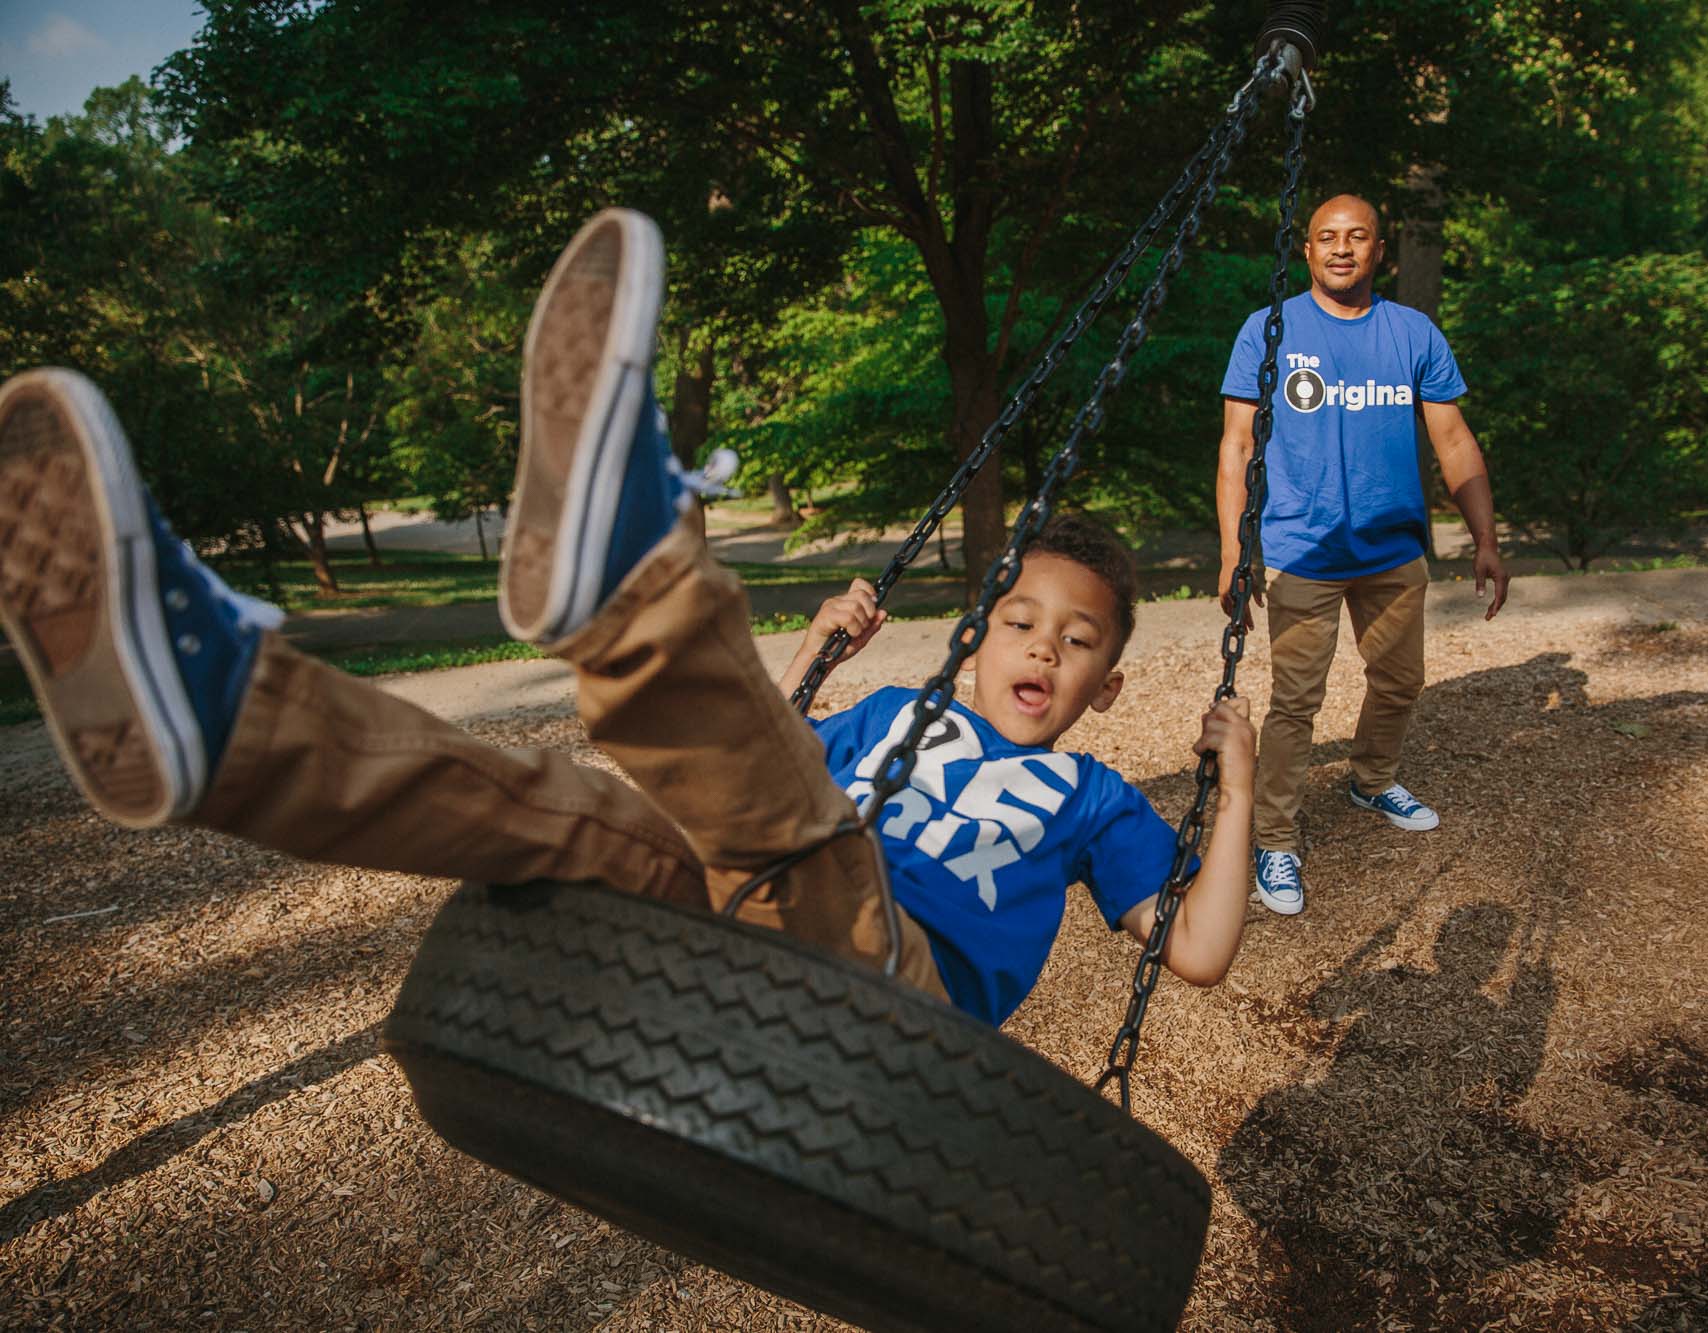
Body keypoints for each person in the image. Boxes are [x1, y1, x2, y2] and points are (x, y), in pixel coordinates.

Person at [0, 207, 1255, 1028]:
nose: (1041, 643)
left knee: (816, 852)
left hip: (895, 994)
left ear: (1104, 690)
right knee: (562, 810)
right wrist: (817, 655)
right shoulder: (887, 708)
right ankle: (228, 727)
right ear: (971, 635)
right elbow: (738, 778)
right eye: (1018, 617)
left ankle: (627, 585)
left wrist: (1235, 776)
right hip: (748, 926)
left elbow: (1191, 953)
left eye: (1077, 640)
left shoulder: (1092, 802)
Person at [1215, 193, 1508, 917]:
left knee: (1402, 681)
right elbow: (1237, 446)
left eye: (1357, 237)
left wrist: (1487, 540)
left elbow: (1454, 442)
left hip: (1391, 550)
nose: (1341, 248)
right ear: (1307, 250)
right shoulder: (1269, 330)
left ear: (1380, 249)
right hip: (1300, 548)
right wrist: (1232, 550)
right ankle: (1275, 840)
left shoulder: (1412, 333)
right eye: (1326, 237)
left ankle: (1371, 779)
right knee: (1295, 702)